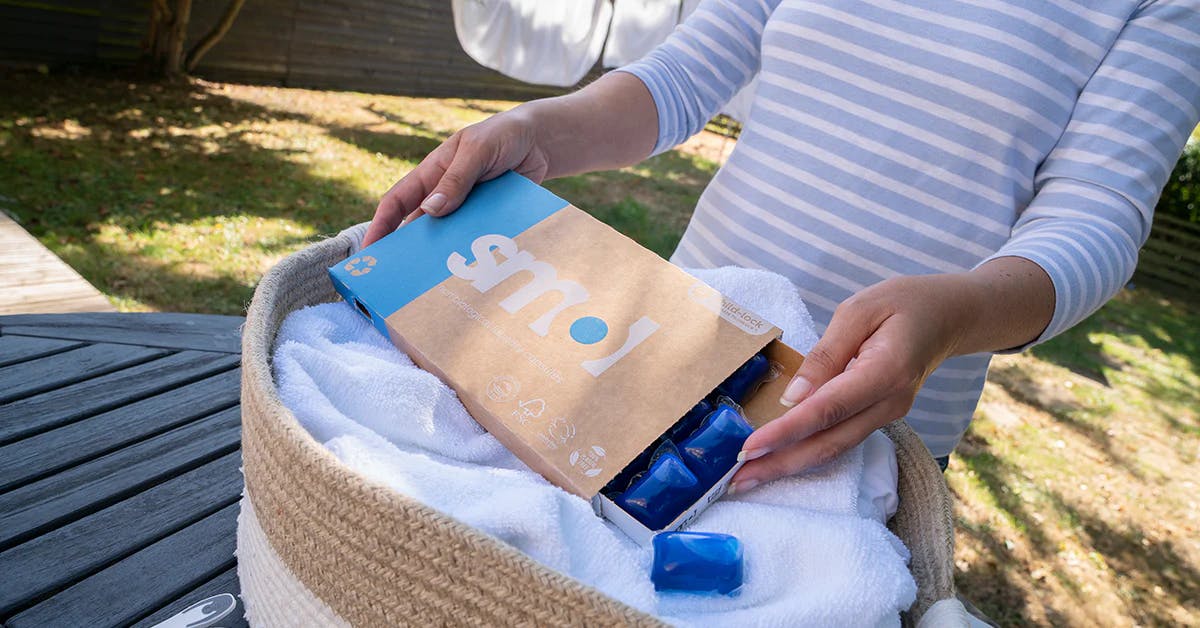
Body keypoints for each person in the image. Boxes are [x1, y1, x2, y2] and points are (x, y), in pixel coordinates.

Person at [362, 1, 1200, 492]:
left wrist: (956, 314)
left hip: (866, 417)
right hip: (669, 340)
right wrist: (533, 133)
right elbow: (681, 77)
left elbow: (1098, 217)